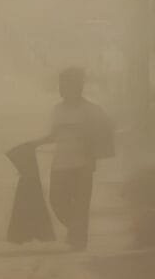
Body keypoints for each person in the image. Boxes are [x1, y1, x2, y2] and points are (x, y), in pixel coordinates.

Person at [33, 67, 115, 251]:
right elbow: (54, 135)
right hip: (60, 164)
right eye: (61, 85)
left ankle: (79, 239)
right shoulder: (58, 110)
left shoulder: (91, 110)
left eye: (66, 85)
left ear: (78, 87)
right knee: (56, 200)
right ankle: (77, 231)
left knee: (81, 205)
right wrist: (34, 143)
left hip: (82, 166)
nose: (62, 89)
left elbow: (106, 131)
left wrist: (96, 152)